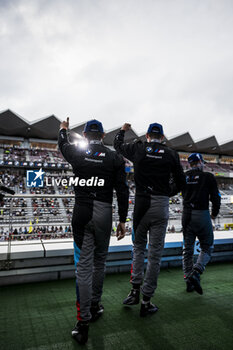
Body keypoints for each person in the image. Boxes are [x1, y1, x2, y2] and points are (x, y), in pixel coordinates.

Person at [58, 118, 129, 344]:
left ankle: (83, 322)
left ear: (86, 135)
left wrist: (63, 129)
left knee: (84, 267)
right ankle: (96, 304)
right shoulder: (115, 158)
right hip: (104, 212)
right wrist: (122, 220)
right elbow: (123, 191)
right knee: (100, 261)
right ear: (104, 135)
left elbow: (63, 144)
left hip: (82, 210)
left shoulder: (77, 154)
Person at [114, 122, 185, 317]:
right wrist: (166, 193)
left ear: (147, 136)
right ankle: (146, 301)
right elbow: (181, 182)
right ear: (162, 137)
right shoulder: (171, 154)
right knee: (155, 255)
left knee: (138, 247)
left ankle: (134, 291)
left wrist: (122, 131)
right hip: (160, 205)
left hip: (141, 205)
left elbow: (117, 146)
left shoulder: (139, 148)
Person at [182, 153, 221, 294]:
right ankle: (196, 272)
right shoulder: (207, 177)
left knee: (187, 248)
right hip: (202, 213)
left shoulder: (184, 176)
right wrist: (214, 214)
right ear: (200, 162)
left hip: (186, 215)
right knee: (208, 245)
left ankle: (188, 281)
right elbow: (216, 198)